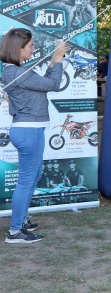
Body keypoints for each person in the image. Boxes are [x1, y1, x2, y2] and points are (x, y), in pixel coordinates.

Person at [0, 28, 68, 243]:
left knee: (33, 177)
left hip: (31, 130)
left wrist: (53, 62)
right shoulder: (16, 73)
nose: (33, 48)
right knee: (26, 181)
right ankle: (15, 232)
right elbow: (54, 84)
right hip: (28, 131)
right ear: (18, 49)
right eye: (30, 46)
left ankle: (21, 220)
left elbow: (45, 84)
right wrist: (58, 59)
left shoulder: (18, 72)